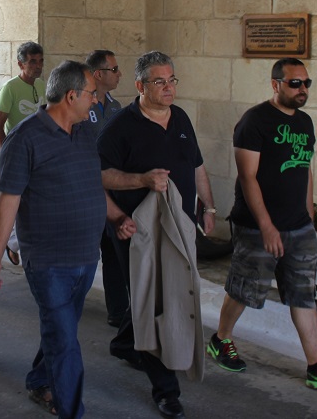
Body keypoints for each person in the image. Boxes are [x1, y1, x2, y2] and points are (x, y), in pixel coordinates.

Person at [209, 58, 317, 391]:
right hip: (257, 227)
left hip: (298, 228)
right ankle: (221, 339)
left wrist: (309, 215)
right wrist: (266, 226)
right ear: (275, 84)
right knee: (245, 290)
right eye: (295, 83)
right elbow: (247, 177)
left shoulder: (305, 123)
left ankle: (316, 367)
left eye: (306, 83)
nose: (302, 89)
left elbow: (305, 169)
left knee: (303, 294)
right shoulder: (254, 121)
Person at [0, 60, 112, 419]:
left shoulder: (84, 131)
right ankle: (72, 411)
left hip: (86, 255)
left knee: (60, 330)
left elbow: (93, 181)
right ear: (71, 96)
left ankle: (40, 379)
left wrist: (117, 216)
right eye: (91, 93)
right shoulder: (25, 138)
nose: (95, 99)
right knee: (66, 341)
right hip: (48, 261)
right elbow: (8, 201)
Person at [98, 50, 217, 419]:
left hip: (180, 226)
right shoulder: (120, 126)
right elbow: (97, 177)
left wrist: (208, 207)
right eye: (159, 82)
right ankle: (167, 391)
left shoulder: (180, 117)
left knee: (157, 294)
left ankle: (125, 342)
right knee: (153, 302)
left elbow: (196, 165)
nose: (168, 88)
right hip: (136, 228)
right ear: (140, 85)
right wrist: (126, 204)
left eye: (172, 80)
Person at [83, 49, 128, 328]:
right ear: (98, 74)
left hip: (110, 190)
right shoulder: (81, 105)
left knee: (113, 250)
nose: (119, 74)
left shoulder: (116, 107)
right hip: (86, 190)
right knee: (85, 253)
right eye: (114, 69)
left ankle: (118, 310)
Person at [0, 40, 45, 264]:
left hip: (39, 154)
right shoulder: (10, 88)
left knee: (35, 200)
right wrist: (8, 152)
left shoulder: (42, 86)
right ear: (20, 64)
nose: (37, 66)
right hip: (17, 154)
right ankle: (13, 242)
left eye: (40, 61)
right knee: (16, 201)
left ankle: (20, 243)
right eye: (32, 61)